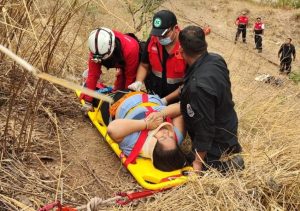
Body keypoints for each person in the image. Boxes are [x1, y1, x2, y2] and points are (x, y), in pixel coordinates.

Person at [177, 25, 244, 173]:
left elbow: (205, 129)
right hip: (228, 124)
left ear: (181, 50)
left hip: (217, 137)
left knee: (185, 164)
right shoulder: (216, 59)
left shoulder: (197, 88)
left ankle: (230, 166)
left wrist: (197, 163)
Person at [107, 92, 187, 171]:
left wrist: (146, 124)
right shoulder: (176, 138)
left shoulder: (132, 142)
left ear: (153, 145)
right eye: (171, 137)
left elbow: (112, 129)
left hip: (122, 100)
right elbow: (181, 108)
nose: (166, 133)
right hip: (150, 98)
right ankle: (165, 99)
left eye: (163, 138)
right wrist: (162, 114)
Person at [128, 10, 186, 105]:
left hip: (177, 100)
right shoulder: (152, 41)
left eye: (164, 34)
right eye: (158, 35)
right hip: (154, 95)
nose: (160, 38)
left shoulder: (186, 45)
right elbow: (144, 65)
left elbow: (189, 83)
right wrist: (138, 81)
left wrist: (165, 100)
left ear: (175, 28)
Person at [81, 27, 140, 112]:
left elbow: (130, 78)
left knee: (122, 88)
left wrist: (125, 104)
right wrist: (88, 102)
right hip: (113, 54)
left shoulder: (131, 49)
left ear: (113, 46)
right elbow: (93, 74)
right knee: (114, 91)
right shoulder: (96, 45)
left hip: (128, 58)